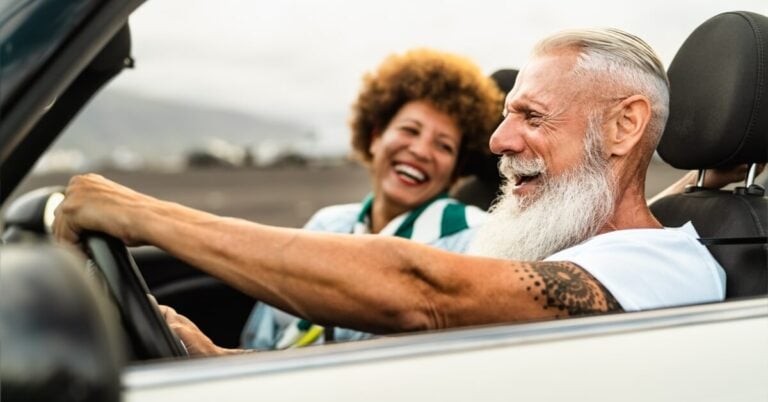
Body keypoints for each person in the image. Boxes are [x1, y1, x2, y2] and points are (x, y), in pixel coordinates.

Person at [54, 28, 727, 357]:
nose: (497, 141)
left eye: (530, 116)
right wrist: (222, 362)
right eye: (503, 116)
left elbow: (421, 294)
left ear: (624, 125)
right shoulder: (541, 252)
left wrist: (141, 213)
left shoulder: (665, 264)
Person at [241, 48, 503, 350]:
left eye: (443, 146)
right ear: (376, 135)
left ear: (455, 170)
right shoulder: (326, 224)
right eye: (409, 130)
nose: (420, 151)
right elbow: (257, 342)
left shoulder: (474, 240)